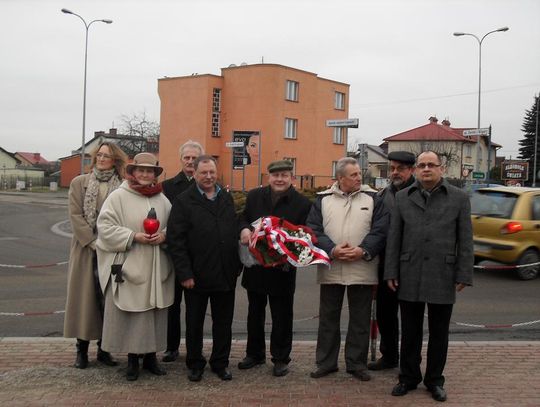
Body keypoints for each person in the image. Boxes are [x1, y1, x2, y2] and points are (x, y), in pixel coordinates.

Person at [385, 151, 473, 402]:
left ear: (441, 168)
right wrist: (391, 270)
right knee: (410, 332)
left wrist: (464, 273)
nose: (426, 169)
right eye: (421, 165)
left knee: (439, 332)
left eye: (431, 165)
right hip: (409, 272)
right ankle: (408, 377)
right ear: (416, 170)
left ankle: (435, 380)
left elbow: (465, 239)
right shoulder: (403, 197)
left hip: (442, 274)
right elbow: (394, 238)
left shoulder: (458, 198)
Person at [307, 157, 389, 381]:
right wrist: (332, 250)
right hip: (331, 268)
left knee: (360, 320)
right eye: (353, 175)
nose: (359, 178)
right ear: (340, 178)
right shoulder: (322, 200)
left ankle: (356, 364)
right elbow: (313, 230)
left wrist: (363, 250)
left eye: (359, 174)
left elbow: (380, 230)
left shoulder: (374, 198)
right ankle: (326, 363)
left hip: (362, 268)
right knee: (328, 319)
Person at [96, 152, 174, 381]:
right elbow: (105, 227)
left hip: (156, 265)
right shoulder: (118, 197)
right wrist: (133, 236)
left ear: (154, 175)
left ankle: (151, 358)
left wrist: (164, 236)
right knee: (132, 313)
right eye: (141, 170)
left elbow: (175, 225)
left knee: (153, 313)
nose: (145, 174)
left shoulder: (162, 200)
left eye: (149, 171)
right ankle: (132, 360)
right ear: (132, 172)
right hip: (131, 263)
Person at [166, 155, 240, 382]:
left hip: (225, 273)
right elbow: (175, 241)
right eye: (203, 173)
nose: (208, 177)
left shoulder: (226, 197)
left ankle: (220, 363)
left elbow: (234, 228)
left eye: (212, 172)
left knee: (223, 323)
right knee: (194, 323)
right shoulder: (183, 200)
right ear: (195, 174)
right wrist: (185, 273)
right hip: (196, 276)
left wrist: (236, 266)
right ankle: (195, 363)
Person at [238, 160, 312, 377]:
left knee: (282, 316)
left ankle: (280, 358)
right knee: (254, 313)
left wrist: (289, 249)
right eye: (275, 175)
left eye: (284, 175)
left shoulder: (302, 204)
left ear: (292, 178)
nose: (279, 179)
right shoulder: (254, 196)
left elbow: (305, 235)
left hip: (283, 269)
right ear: (268, 177)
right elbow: (243, 218)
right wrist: (243, 229)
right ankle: (254, 354)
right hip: (256, 267)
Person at [63, 142, 127, 369]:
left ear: (115, 160)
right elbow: (75, 215)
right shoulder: (79, 183)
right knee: (85, 300)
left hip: (110, 250)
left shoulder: (121, 187)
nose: (101, 159)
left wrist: (110, 241)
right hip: (85, 249)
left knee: (106, 298)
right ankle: (81, 350)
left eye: (106, 156)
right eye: (98, 155)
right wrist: (91, 241)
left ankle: (104, 349)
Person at [368, 151, 416, 371]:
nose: (395, 172)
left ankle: (409, 361)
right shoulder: (382, 195)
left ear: (411, 170)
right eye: (393, 168)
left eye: (401, 169)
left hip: (413, 264)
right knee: (386, 314)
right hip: (387, 264)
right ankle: (389, 356)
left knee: (410, 318)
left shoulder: (421, 192)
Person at [161, 140, 204, 363]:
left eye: (194, 158)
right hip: (175, 253)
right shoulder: (167, 187)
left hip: (199, 255)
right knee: (172, 304)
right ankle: (171, 346)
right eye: (186, 158)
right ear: (181, 159)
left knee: (195, 307)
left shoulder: (208, 184)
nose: (190, 162)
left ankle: (194, 349)